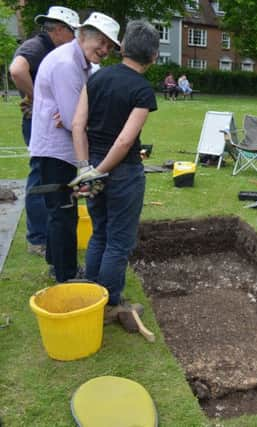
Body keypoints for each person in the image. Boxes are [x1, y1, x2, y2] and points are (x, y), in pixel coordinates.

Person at [71, 20, 159, 323]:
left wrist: (86, 169)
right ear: (154, 56)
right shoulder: (142, 90)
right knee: (119, 241)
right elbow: (124, 141)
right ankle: (109, 306)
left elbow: (77, 125)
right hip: (122, 173)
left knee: (100, 233)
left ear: (122, 47)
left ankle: (93, 294)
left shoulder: (95, 78)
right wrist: (99, 172)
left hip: (93, 164)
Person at [28, 12, 120, 283]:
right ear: (82, 35)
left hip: (65, 149)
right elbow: (72, 120)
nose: (104, 50)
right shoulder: (67, 64)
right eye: (100, 43)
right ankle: (66, 274)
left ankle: (55, 262)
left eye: (109, 46)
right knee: (63, 212)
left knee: (61, 210)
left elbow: (79, 113)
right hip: (55, 151)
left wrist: (79, 114)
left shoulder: (86, 65)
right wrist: (81, 116)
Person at [9, 6, 79, 257]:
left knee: (49, 177)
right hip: (38, 123)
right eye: (73, 33)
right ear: (60, 30)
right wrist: (39, 99)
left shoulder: (51, 49)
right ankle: (37, 239)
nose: (75, 40)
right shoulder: (38, 46)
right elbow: (17, 70)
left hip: (44, 122)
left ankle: (46, 234)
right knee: (40, 178)